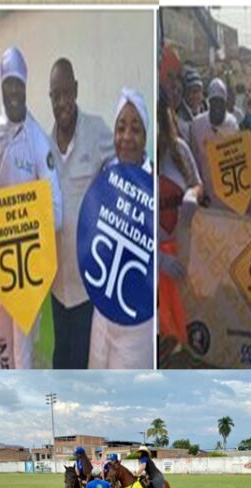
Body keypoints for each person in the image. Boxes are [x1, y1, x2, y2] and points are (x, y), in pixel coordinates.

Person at [0, 46, 63, 369]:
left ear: (26, 87)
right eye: (8, 84)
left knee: (24, 345)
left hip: (26, 263)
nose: (14, 91)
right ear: (1, 87)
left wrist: (26, 217)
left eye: (19, 84)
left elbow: (56, 209)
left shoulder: (39, 140)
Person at [48, 57, 112, 369]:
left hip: (90, 284)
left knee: (86, 366)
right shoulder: (44, 148)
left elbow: (121, 178)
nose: (62, 102)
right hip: (57, 284)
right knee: (61, 361)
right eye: (54, 96)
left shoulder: (98, 132)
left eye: (65, 93)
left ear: (76, 89)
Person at [88, 89, 154, 369]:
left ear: (146, 137)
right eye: (121, 128)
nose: (127, 137)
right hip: (102, 314)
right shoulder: (105, 176)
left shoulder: (153, 186)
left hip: (135, 323)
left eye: (135, 129)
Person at [157, 99, 201, 349]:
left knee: (187, 324)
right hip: (155, 264)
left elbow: (197, 181)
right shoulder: (141, 161)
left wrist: (192, 194)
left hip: (183, 251)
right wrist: (158, 260)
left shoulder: (180, 150)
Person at [189, 79, 239, 209]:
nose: (217, 108)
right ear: (209, 102)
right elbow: (194, 161)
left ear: (225, 103)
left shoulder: (233, 124)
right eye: (214, 103)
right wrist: (200, 192)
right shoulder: (197, 125)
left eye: (220, 103)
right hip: (206, 197)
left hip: (228, 197)